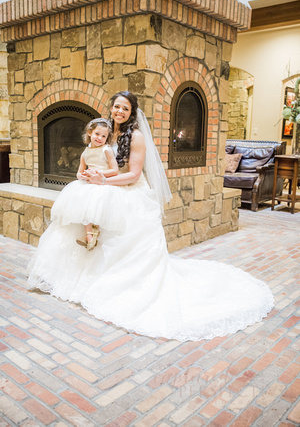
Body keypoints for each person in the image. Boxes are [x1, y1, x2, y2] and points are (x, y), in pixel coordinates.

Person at [28, 91, 274, 342]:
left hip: (129, 189)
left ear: (132, 112)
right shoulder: (104, 131)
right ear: (111, 109)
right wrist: (90, 177)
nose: (119, 112)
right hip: (105, 184)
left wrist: (102, 181)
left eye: (125, 108)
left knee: (118, 225)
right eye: (116, 107)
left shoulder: (136, 136)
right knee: (81, 209)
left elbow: (133, 175)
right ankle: (84, 272)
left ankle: (118, 284)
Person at [75, 118, 118, 250]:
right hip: (89, 183)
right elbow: (79, 172)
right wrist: (81, 176)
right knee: (83, 203)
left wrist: (99, 173)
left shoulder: (106, 150)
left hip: (102, 183)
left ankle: (91, 235)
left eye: (103, 136)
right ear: (89, 132)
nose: (99, 138)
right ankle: (90, 235)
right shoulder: (85, 152)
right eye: (97, 134)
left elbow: (115, 170)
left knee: (95, 203)